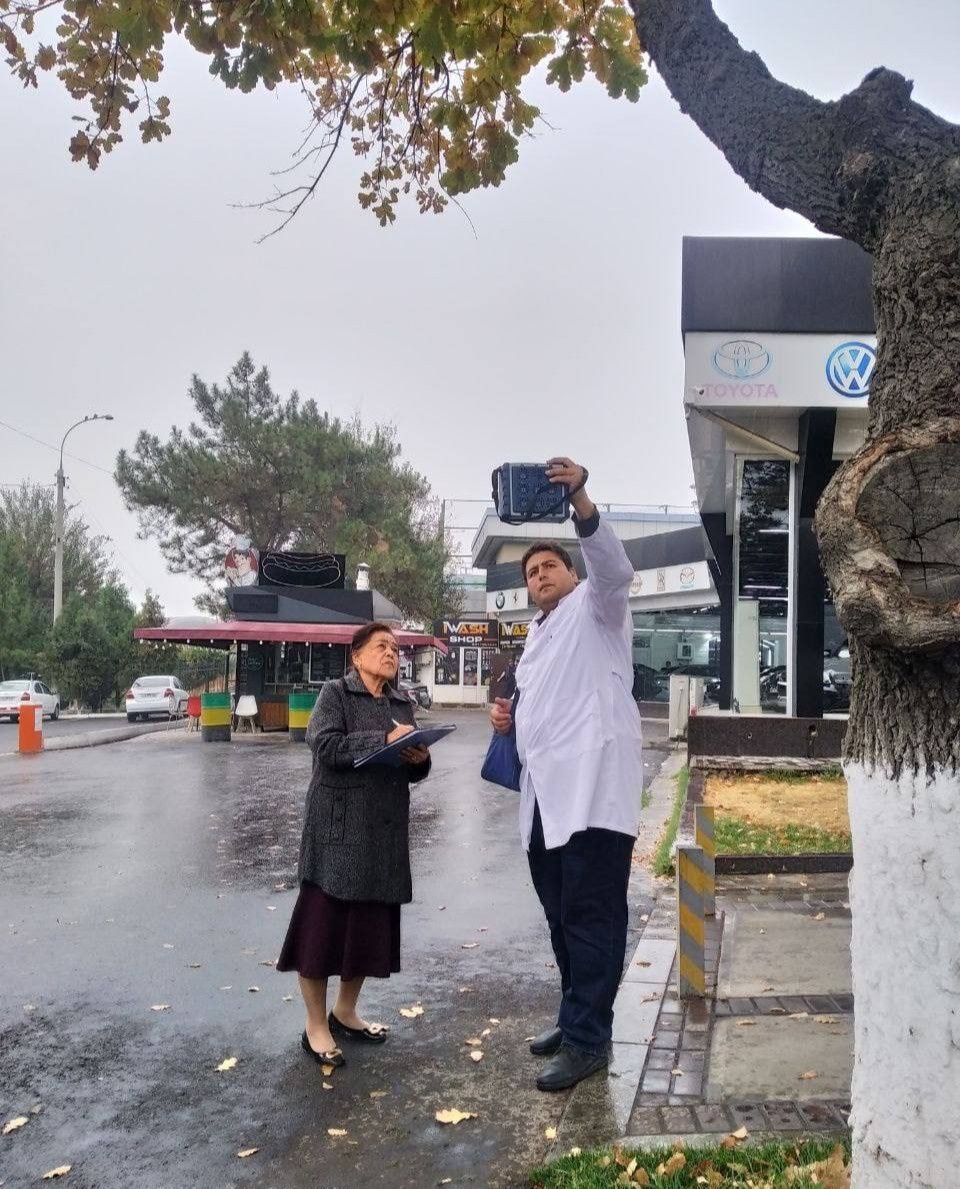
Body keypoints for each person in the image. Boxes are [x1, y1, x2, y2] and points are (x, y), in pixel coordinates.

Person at [490, 457, 643, 1092]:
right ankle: (573, 1014)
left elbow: (616, 568)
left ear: (572, 573)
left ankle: (589, 1040)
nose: (541, 575)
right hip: (544, 802)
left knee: (591, 917)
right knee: (559, 916)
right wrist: (509, 719)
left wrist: (580, 496)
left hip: (593, 797)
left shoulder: (597, 606)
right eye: (532, 572)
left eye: (550, 565)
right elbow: (544, 705)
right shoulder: (537, 633)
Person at [277, 622, 431, 1067]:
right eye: (382, 646)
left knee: (365, 932)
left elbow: (413, 768)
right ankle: (315, 1025)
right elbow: (325, 746)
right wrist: (382, 740)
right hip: (338, 832)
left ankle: (345, 1012)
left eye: (396, 648)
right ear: (357, 656)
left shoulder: (401, 702)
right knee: (321, 934)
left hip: (383, 833)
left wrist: (420, 758)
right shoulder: (335, 694)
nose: (391, 653)